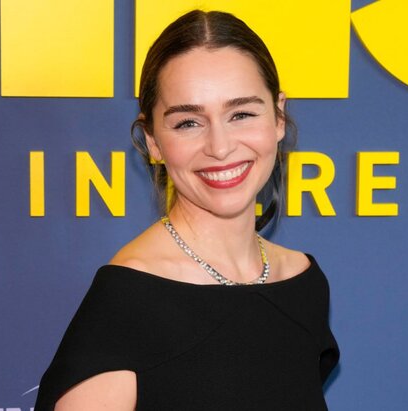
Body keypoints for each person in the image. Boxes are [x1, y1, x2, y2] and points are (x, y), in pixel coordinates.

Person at [35, 9, 339, 411]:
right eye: (188, 123)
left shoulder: (302, 282)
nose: (220, 147)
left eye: (242, 114)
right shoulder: (128, 302)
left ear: (279, 117)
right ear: (153, 141)